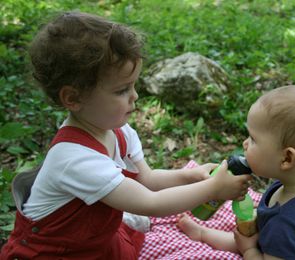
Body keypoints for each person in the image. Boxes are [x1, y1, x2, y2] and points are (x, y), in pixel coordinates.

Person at [0, 12, 251, 259]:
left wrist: (188, 176)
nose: (135, 96)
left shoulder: (118, 131)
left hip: (94, 241)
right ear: (73, 98)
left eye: (133, 85)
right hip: (55, 252)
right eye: (122, 90)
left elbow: (147, 179)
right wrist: (212, 189)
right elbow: (150, 203)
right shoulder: (73, 159)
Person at [178, 85, 295, 259]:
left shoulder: (285, 224)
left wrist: (249, 250)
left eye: (253, 139)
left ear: (286, 159)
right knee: (242, 239)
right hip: (272, 245)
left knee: (244, 243)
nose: (245, 144)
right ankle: (203, 233)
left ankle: (209, 236)